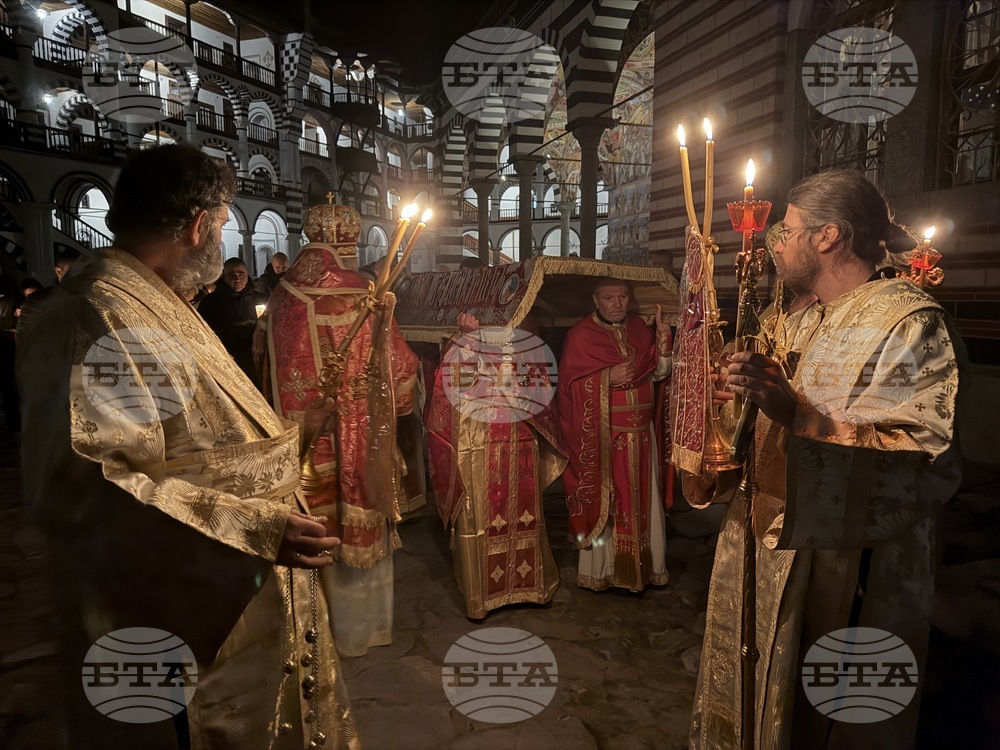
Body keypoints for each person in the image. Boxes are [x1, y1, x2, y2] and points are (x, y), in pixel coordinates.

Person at [16, 144, 357, 750]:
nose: (222, 238)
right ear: (199, 223)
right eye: (224, 224)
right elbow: (88, 484)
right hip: (173, 618)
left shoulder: (149, 296)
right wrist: (252, 528)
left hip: (220, 592)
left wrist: (294, 432)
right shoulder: (93, 311)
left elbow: (201, 432)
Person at [688, 171, 963, 749]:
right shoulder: (799, 317)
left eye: (786, 231)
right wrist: (735, 408)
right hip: (764, 541)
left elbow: (920, 459)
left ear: (829, 236)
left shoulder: (908, 323)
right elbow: (757, 426)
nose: (776, 243)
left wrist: (796, 414)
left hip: (842, 566)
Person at [264, 202, 419, 657]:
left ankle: (315, 632)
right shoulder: (360, 294)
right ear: (347, 245)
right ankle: (360, 632)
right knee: (353, 515)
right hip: (355, 431)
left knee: (312, 520)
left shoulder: (282, 294)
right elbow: (394, 367)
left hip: (300, 437)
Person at [426, 312, 567, 619]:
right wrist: (469, 343)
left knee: (524, 512)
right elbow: (451, 391)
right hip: (475, 443)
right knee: (478, 513)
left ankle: (528, 586)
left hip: (519, 439)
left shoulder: (525, 333)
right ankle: (482, 597)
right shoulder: (459, 336)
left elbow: (538, 387)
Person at [556, 278, 672, 592]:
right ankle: (604, 571)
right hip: (607, 437)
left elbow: (659, 373)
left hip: (643, 436)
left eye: (622, 296)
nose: (617, 304)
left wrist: (662, 337)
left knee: (645, 502)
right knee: (612, 501)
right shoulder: (580, 336)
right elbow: (568, 390)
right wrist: (606, 377)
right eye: (609, 297)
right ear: (596, 300)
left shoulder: (638, 328)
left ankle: (649, 568)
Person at [198, 257, 266, 386]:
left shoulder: (260, 298)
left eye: (241, 274)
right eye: (232, 274)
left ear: (247, 274)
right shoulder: (211, 302)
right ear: (224, 276)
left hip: (256, 360)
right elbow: (203, 332)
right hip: (228, 360)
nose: (237, 279)